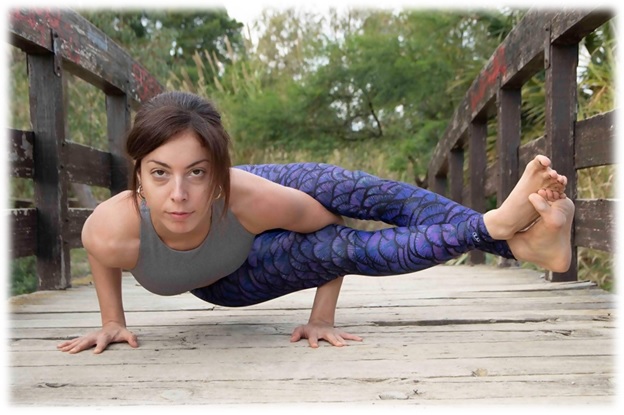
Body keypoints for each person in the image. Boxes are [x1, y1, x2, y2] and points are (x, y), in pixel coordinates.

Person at [57, 91, 575, 354]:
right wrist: (111, 320)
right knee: (336, 247)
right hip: (232, 277)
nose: (179, 194)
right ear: (138, 176)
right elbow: (103, 258)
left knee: (351, 191)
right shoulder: (112, 227)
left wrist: (322, 313)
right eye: (159, 174)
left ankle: (520, 238)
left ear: (218, 172)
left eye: (197, 172)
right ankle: (505, 232)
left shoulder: (246, 195)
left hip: (256, 203)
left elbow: (331, 226)